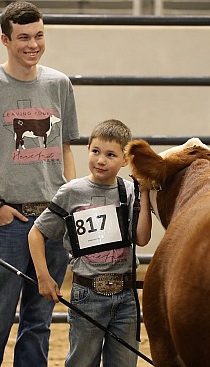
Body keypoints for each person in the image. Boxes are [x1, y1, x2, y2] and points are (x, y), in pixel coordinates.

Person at [0, 2, 80, 366]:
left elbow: (64, 146)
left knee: (40, 318)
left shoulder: (59, 84)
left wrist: (71, 200)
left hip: (53, 218)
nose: (33, 44)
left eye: (38, 35)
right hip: (10, 219)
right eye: (23, 38)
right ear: (4, 39)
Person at [28, 119, 152, 367]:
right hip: (87, 293)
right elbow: (36, 233)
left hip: (126, 295)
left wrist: (145, 193)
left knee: (125, 362)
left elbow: (141, 238)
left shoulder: (129, 191)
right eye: (95, 151)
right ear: (87, 150)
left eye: (110, 154)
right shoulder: (71, 191)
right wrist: (43, 276)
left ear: (125, 160)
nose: (101, 160)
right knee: (81, 362)